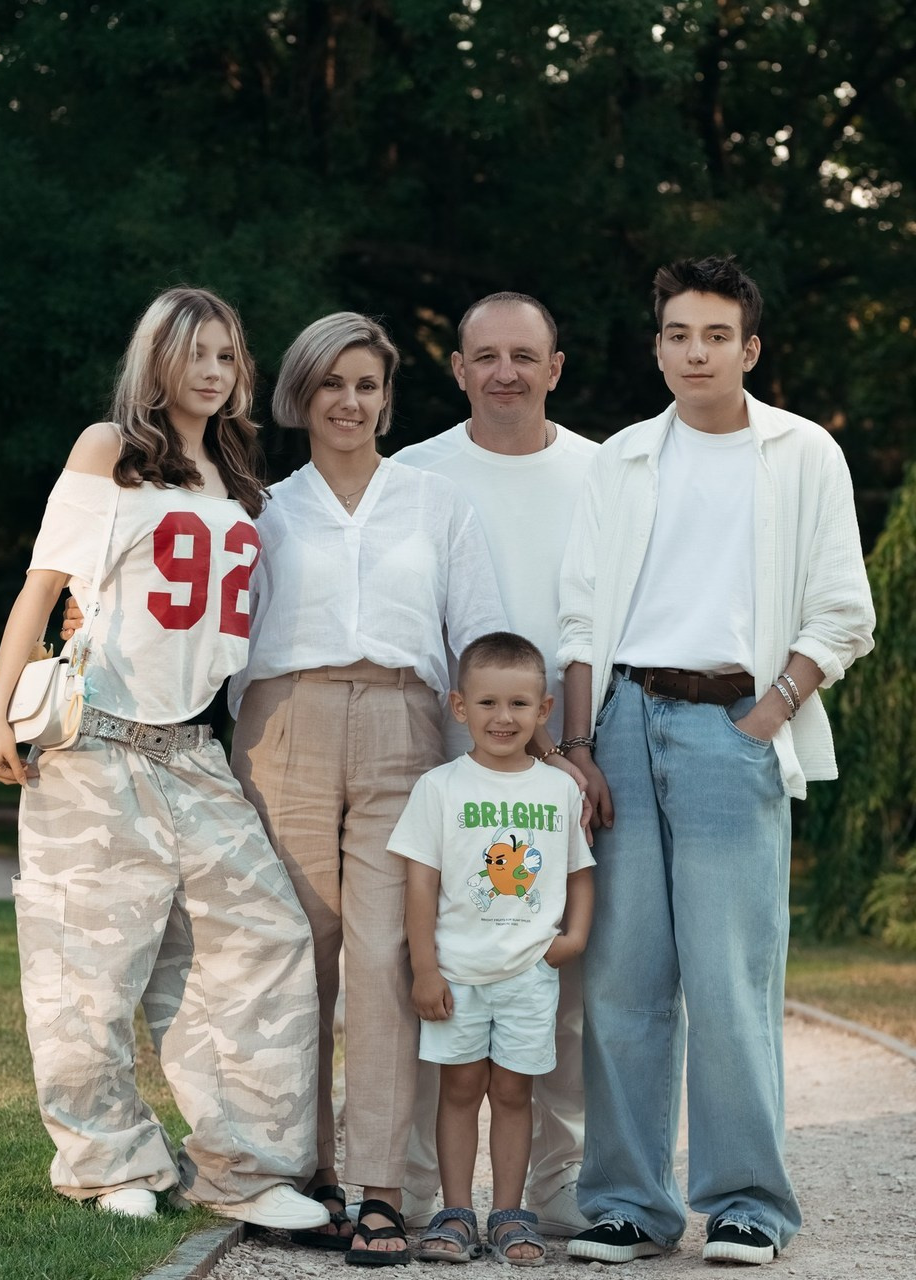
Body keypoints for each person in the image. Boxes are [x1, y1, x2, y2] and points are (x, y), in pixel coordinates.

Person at [0, 287, 327, 1230]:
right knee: (85, 965)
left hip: (193, 749)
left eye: (227, 355)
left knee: (263, 942)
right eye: (194, 353)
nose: (212, 372)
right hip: (95, 740)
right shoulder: (110, 449)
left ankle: (244, 1170)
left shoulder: (239, 474)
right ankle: (107, 1161)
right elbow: (42, 587)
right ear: (157, 360)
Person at [557, 256, 875, 1266]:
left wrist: (768, 713)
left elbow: (842, 611)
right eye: (677, 334)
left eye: (715, 335)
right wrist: (577, 744)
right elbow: (578, 614)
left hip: (732, 725)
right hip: (621, 723)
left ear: (749, 348)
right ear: (657, 348)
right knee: (621, 977)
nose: (694, 352)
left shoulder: (801, 452)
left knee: (731, 977)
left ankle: (747, 1202)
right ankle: (627, 1202)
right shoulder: (620, 457)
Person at [227, 312, 509, 1264]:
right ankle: (303, 1176)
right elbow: (222, 635)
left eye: (368, 386)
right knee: (297, 953)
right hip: (287, 727)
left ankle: (380, 1188)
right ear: (300, 395)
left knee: (389, 955)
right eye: (332, 384)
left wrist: (502, 756)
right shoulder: (263, 508)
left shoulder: (435, 504)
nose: (350, 402)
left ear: (387, 400)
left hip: (404, 728)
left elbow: (477, 635)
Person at [391, 292, 599, 1238]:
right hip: (446, 762)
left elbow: (604, 622)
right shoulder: (415, 472)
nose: (504, 372)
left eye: (524, 355)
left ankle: (555, 1189)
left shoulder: (600, 474)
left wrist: (574, 748)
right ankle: (421, 1190)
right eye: (485, 356)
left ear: (555, 368)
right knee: (433, 976)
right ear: (459, 369)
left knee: (557, 993)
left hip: (566, 757)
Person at [392, 632, 594, 1266]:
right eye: (486, 703)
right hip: (457, 972)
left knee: (513, 1093)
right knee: (458, 1089)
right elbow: (420, 883)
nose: (502, 718)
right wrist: (424, 968)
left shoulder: (559, 789)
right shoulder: (440, 787)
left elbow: (579, 872)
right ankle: (455, 1213)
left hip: (529, 973)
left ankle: (509, 1213)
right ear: (459, 707)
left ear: (544, 710)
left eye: (518, 704)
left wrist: (574, 938)